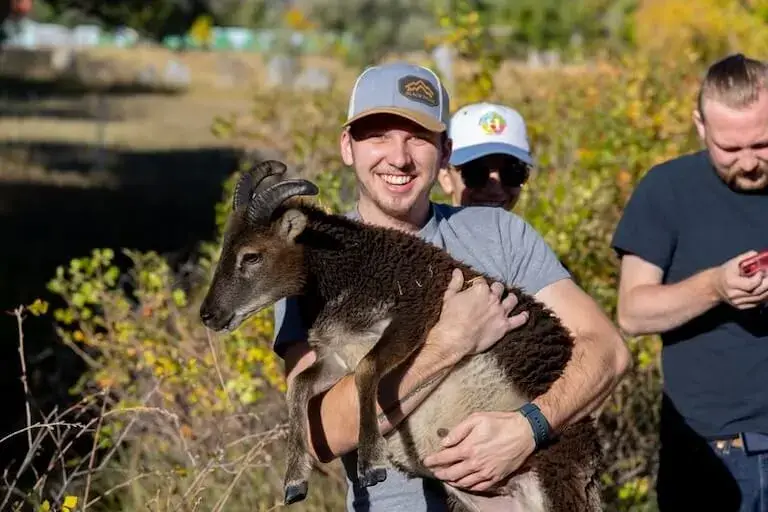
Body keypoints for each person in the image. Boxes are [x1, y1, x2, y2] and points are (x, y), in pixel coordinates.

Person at [273, 61, 630, 511]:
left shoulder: (498, 233)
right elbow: (316, 434)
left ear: (445, 152)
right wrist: (449, 342)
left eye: (418, 138)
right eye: (378, 135)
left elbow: (608, 349)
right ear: (348, 146)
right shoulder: (312, 264)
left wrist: (527, 429)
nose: (399, 157)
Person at [611, 53, 768, 512]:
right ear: (700, 126)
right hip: (711, 450)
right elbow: (632, 312)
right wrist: (716, 287)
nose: (749, 163)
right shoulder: (667, 190)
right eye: (730, 149)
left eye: (762, 144)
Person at [437, 102, 533, 210]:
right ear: (445, 178)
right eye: (475, 173)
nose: (495, 189)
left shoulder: (524, 227)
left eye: (512, 173)